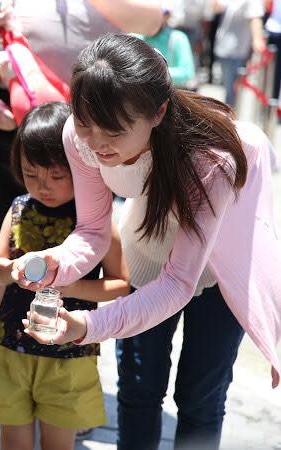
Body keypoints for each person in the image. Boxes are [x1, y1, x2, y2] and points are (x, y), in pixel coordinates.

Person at [15, 34, 280, 450]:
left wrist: (87, 325)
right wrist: (55, 262)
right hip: (148, 250)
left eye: (114, 132)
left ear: (158, 112)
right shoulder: (78, 137)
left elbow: (179, 283)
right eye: (86, 123)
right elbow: (92, 232)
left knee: (200, 399)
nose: (98, 143)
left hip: (221, 268)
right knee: (138, 391)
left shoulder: (212, 159)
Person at [0, 0, 164, 387]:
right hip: (1, 135)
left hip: (76, 141)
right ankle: (4, 348)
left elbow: (154, 19)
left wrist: (65, 285)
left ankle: (67, 368)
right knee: (0, 237)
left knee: (79, 233)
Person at [0, 102, 130, 450]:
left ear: (81, 168)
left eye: (57, 176)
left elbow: (121, 286)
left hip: (70, 353)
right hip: (13, 345)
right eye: (31, 174)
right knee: (13, 442)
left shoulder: (96, 222)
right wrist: (13, 268)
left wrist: (74, 285)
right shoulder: (19, 209)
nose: (43, 186)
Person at [213, 0, 266, 106]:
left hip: (237, 52)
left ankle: (231, 116)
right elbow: (215, 8)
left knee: (233, 90)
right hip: (224, 48)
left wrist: (257, 39)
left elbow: (255, 18)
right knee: (228, 88)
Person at [138, 8, 197, 89]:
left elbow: (187, 73)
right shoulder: (135, 38)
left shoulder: (177, 38)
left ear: (167, 16)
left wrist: (153, 72)